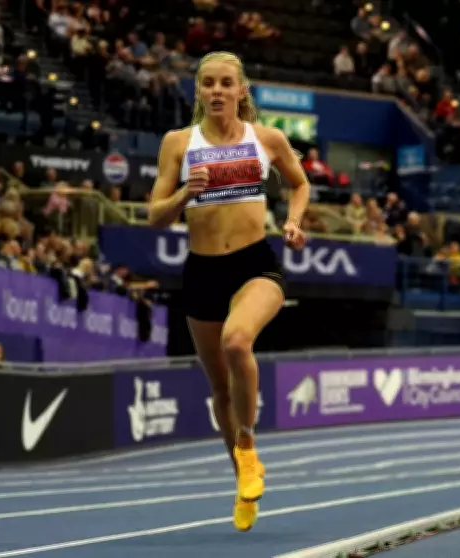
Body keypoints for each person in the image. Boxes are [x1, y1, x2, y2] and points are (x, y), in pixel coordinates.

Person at [147, 51, 310, 532]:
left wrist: (293, 223)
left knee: (237, 342)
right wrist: (185, 194)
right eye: (208, 83)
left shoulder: (267, 138)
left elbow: (300, 184)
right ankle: (243, 478)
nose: (217, 91)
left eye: (225, 83)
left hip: (254, 264)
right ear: (199, 91)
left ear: (241, 91)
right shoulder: (178, 143)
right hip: (202, 272)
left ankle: (248, 444)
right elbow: (154, 216)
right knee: (220, 389)